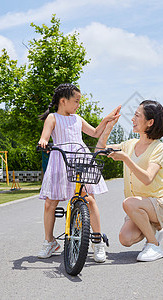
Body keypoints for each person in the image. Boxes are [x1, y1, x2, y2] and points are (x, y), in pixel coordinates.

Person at [37, 83, 121, 263]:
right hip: (60, 160)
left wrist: (107, 120)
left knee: (89, 199)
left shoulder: (77, 119)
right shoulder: (52, 118)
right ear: (63, 101)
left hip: (80, 159)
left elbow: (96, 132)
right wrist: (43, 142)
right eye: (75, 101)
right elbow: (45, 136)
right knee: (50, 203)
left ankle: (97, 242)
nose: (78, 105)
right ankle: (49, 241)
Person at [97, 100, 163, 262]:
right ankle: (153, 230)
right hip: (139, 206)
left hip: (159, 203)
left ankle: (154, 245)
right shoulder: (129, 145)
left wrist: (126, 159)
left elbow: (148, 178)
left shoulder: (158, 148)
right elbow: (99, 152)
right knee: (125, 238)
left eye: (137, 115)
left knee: (129, 203)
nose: (132, 119)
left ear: (150, 122)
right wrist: (108, 128)